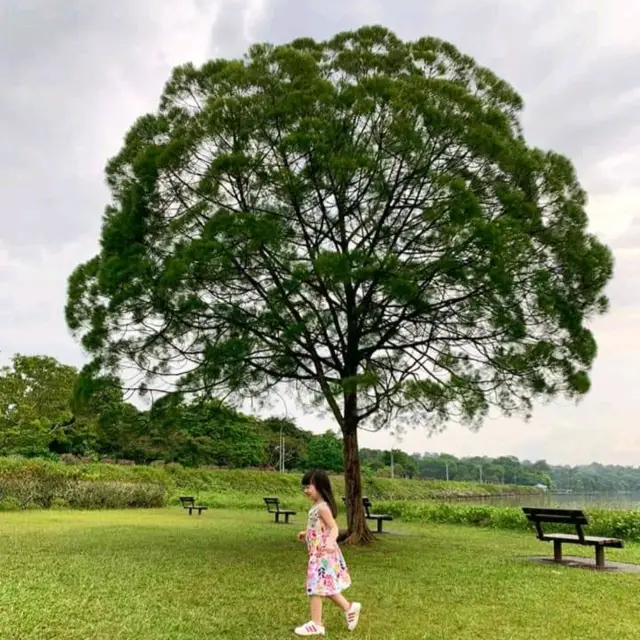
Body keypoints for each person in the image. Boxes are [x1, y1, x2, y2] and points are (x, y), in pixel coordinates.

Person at [294, 469, 361, 636]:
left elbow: (334, 528)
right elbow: (318, 527)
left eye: (308, 486)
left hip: (322, 555)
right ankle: (349, 608)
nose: (306, 490)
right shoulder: (317, 507)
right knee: (326, 587)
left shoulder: (323, 507)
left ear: (319, 486)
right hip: (318, 553)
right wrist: (306, 533)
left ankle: (316, 624)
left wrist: (330, 542)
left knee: (315, 587)